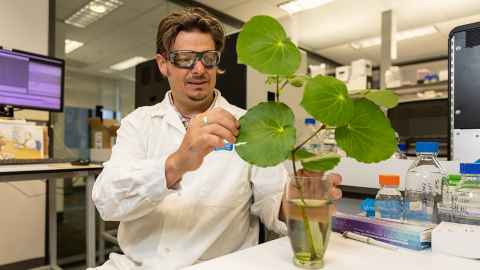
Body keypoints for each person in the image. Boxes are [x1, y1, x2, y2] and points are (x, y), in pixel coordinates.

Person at [90, 7, 341, 270]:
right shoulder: (139, 123)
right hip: (134, 265)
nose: (199, 69)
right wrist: (175, 164)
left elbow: (273, 203)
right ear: (163, 64)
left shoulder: (248, 124)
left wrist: (300, 197)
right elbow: (107, 203)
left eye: (208, 58)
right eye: (185, 58)